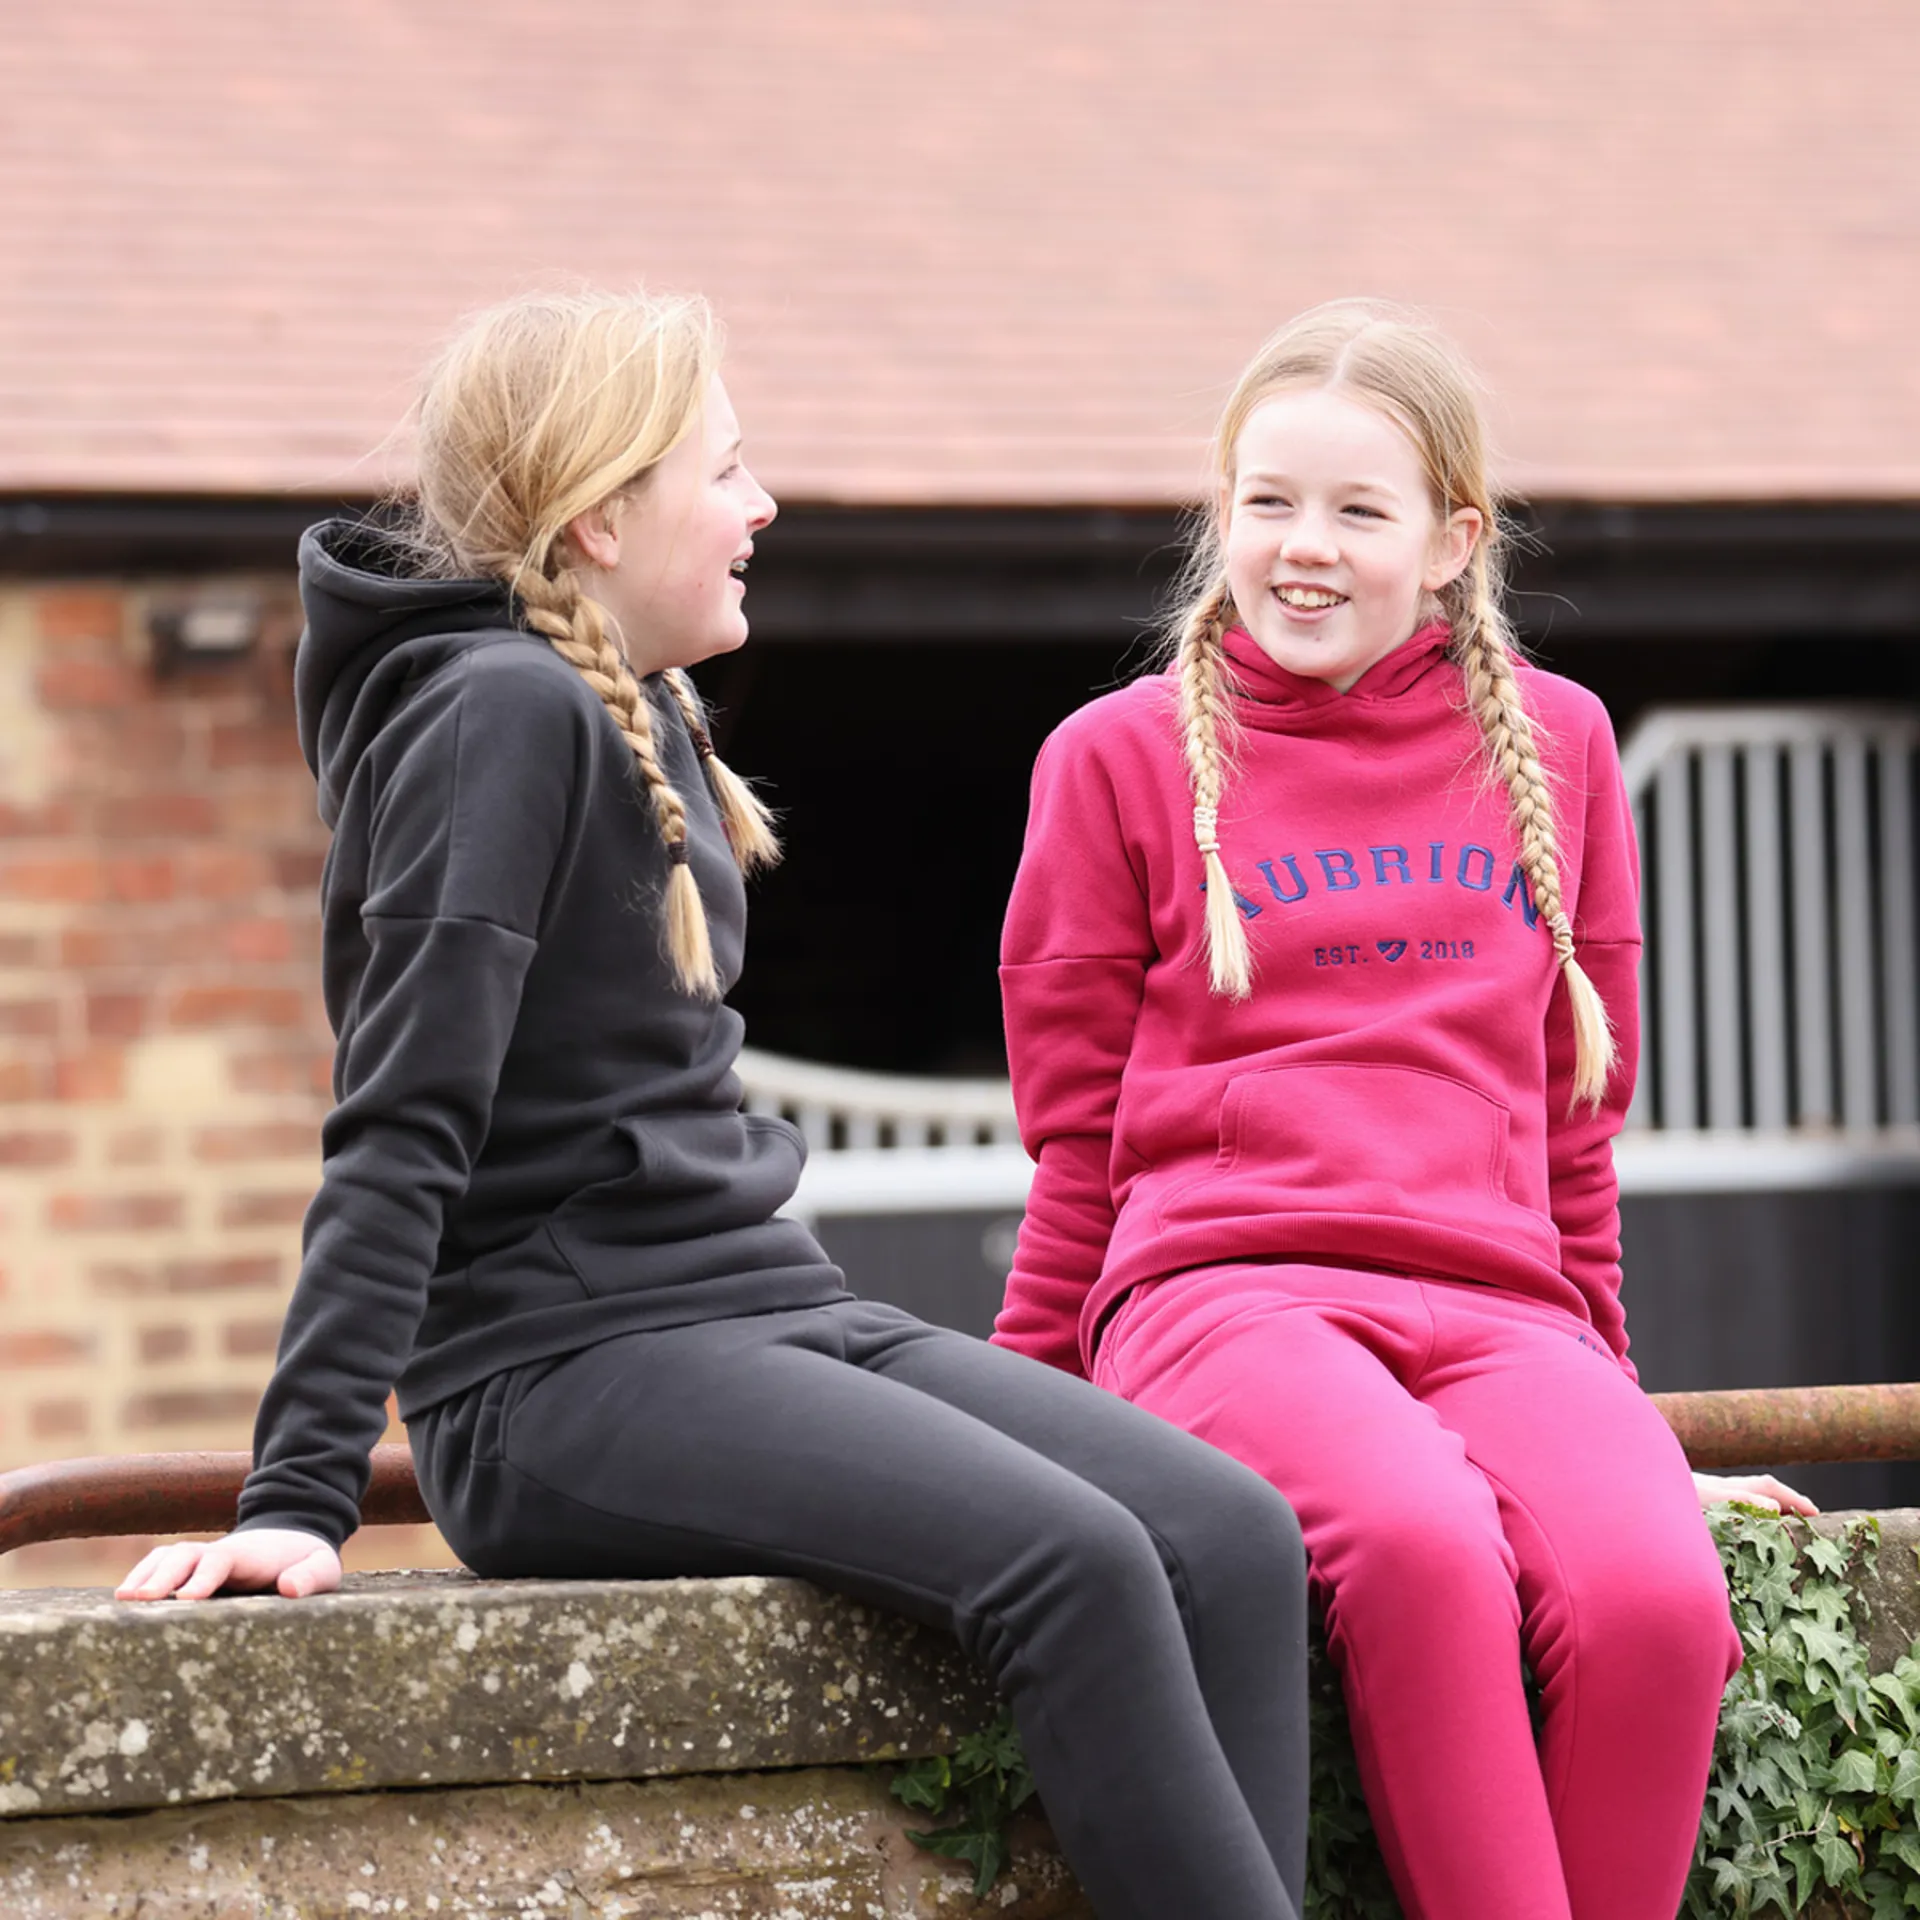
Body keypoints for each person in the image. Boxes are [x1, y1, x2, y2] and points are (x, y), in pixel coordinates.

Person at [113, 289, 1313, 1920]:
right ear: (602, 518)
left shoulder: (632, 696)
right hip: (559, 1375)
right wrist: (300, 1495)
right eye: (727, 470)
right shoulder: (497, 712)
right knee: (1077, 1564)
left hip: (752, 1312)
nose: (763, 507)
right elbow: (402, 1122)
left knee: (1232, 1533)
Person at [992, 300, 1811, 1920]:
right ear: (1223, 515)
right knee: (1425, 1547)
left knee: (1657, 1596)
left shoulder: (1561, 747)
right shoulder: (1115, 759)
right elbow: (1075, 1147)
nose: (1304, 548)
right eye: (1268, 502)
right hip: (1226, 1296)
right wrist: (1023, 1419)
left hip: (1502, 1310)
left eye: (1358, 511)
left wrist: (1613, 1429)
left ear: (1452, 542)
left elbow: (1574, 1130)